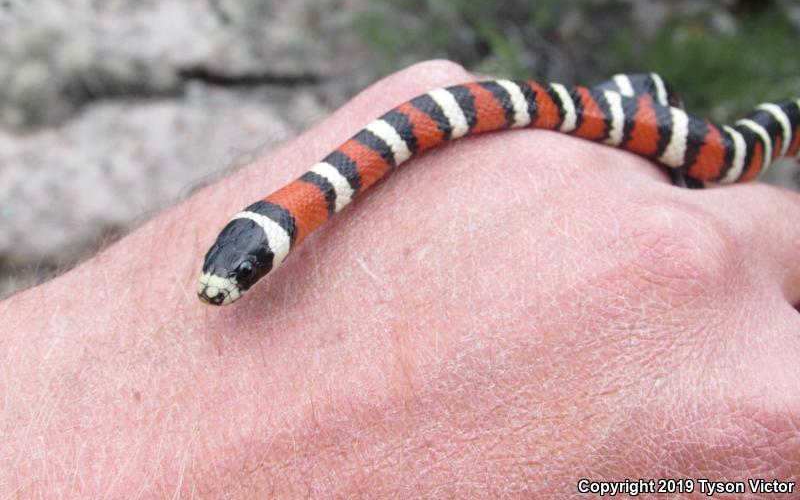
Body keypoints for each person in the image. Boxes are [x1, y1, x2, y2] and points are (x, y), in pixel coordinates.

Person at [2, 61, 798, 497]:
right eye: (233, 272)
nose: (227, 287)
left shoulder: (329, 190)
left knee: (715, 146)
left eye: (240, 273)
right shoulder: (307, 203)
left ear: (274, 247)